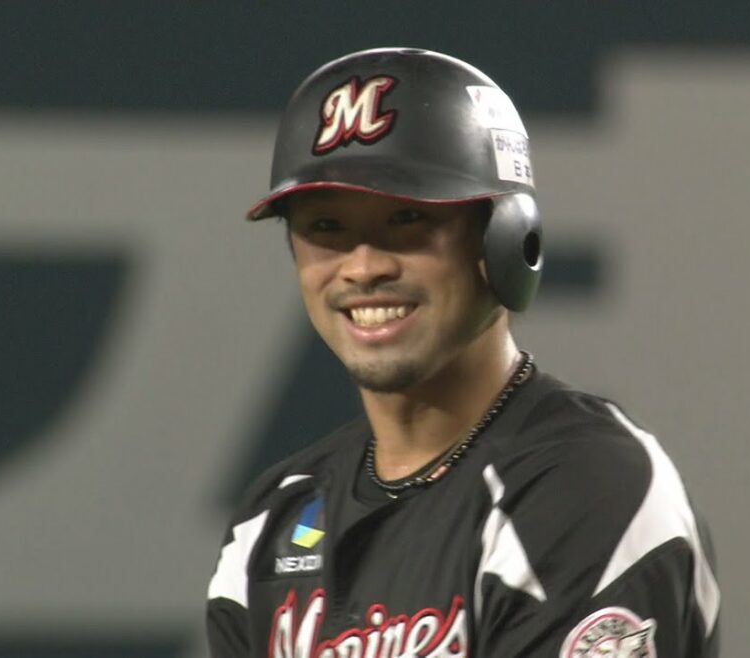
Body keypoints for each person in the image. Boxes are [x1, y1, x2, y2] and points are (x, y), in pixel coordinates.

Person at [206, 47, 720, 658]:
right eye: (326, 228)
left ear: (506, 241)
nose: (363, 268)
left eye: (407, 219)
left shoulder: (586, 486)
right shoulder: (272, 520)